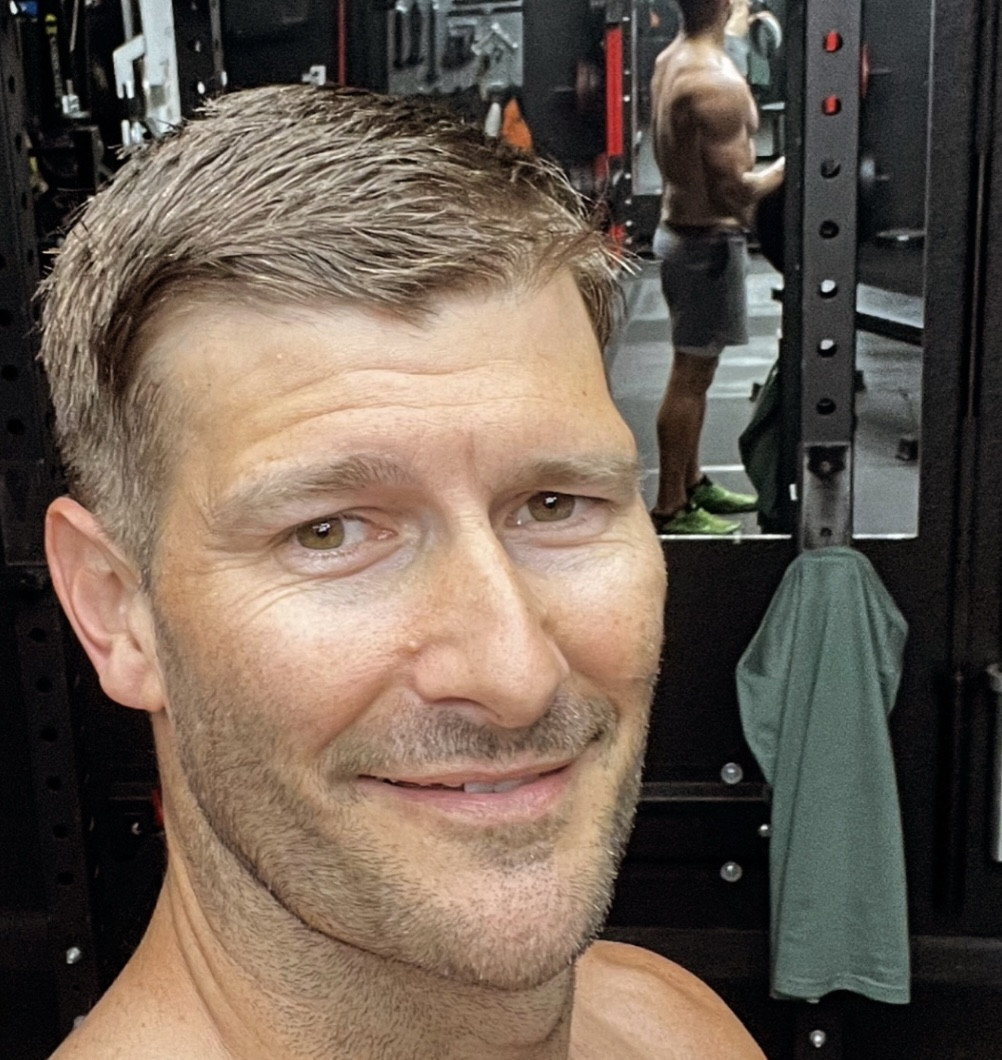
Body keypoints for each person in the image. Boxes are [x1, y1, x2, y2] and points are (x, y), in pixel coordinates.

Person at [39, 84, 764, 1058]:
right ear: (116, 610)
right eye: (330, 532)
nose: (515, 674)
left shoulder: (678, 1027)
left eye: (554, 504)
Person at [649, 0, 785, 534]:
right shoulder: (715, 84)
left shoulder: (671, 60)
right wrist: (796, 159)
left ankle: (693, 482)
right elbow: (739, 191)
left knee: (697, 376)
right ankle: (671, 507)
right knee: (688, 378)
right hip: (705, 247)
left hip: (682, 234)